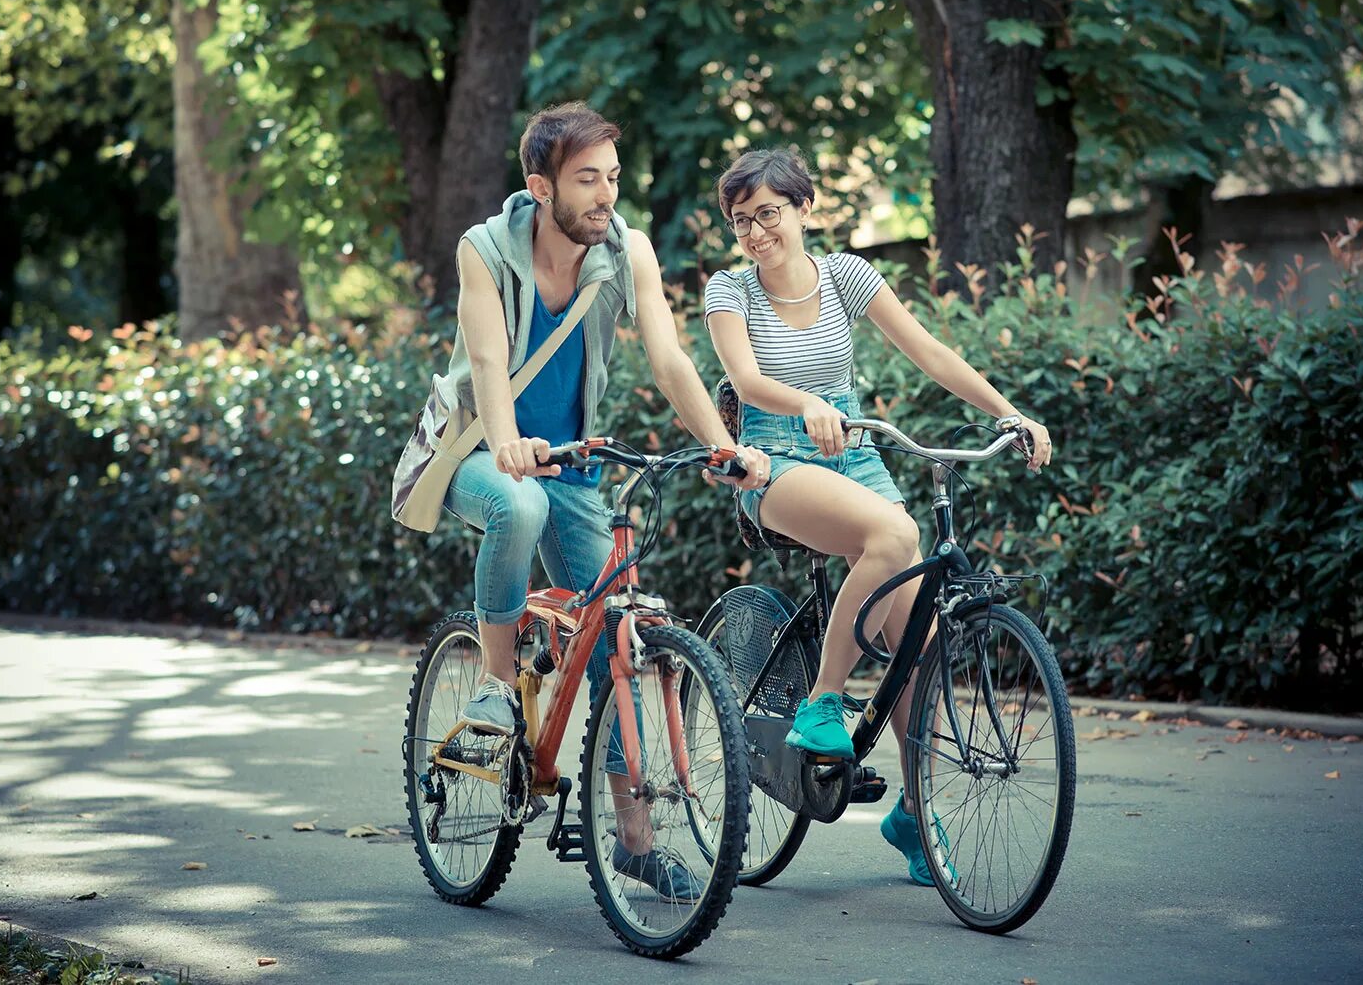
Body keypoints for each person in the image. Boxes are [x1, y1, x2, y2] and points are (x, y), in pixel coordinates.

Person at [423, 102, 770, 902]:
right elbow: (484, 357)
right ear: (541, 187)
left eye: (612, 178)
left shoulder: (626, 250)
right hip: (482, 453)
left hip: (574, 464)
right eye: (588, 180)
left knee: (622, 636)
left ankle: (638, 844)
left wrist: (723, 442)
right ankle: (496, 687)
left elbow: (670, 358)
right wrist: (509, 445)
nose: (606, 195)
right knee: (521, 508)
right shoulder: (485, 249)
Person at [702, 147, 1052, 886]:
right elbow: (746, 380)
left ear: (804, 207)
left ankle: (916, 820)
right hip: (775, 459)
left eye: (768, 213)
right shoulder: (729, 291)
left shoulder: (846, 276)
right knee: (896, 534)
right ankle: (821, 703)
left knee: (917, 648)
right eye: (741, 221)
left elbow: (927, 350)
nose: (756, 232)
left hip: (856, 454)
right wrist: (810, 405)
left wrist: (1009, 413)